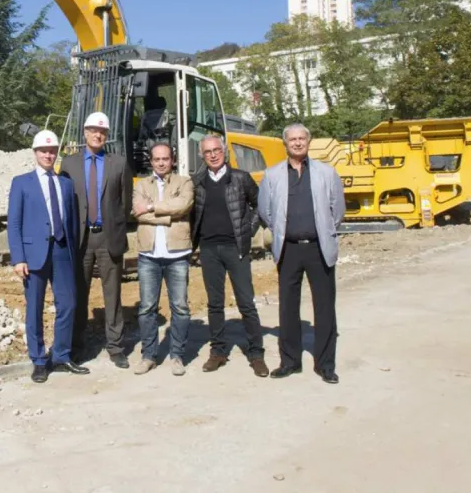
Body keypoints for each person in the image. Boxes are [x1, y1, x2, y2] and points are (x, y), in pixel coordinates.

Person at [257, 123, 345, 384]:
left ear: (309, 141)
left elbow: (337, 211)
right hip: (289, 250)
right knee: (288, 307)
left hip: (319, 248)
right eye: (292, 139)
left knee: (325, 307)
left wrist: (324, 230)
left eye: (301, 138)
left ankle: (325, 365)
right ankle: (290, 361)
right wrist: (285, 230)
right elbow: (266, 212)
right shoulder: (272, 175)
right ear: (285, 144)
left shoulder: (327, 173)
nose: (297, 143)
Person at [7, 129, 89, 383]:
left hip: (62, 250)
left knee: (68, 304)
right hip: (33, 254)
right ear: (35, 153)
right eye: (44, 150)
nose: (48, 155)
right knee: (35, 308)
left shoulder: (65, 184)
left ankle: (62, 355)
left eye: (52, 150)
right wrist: (18, 258)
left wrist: (73, 250)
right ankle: (39, 360)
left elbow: (72, 220)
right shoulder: (22, 183)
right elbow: (14, 223)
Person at [191, 134, 268, 378]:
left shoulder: (240, 178)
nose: (213, 155)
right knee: (215, 304)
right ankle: (218, 352)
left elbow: (261, 206)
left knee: (246, 303)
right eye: (208, 152)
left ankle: (256, 354)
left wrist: (249, 229)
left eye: (216, 150)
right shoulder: (198, 182)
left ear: (224, 151)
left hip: (236, 249)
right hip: (209, 249)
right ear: (202, 155)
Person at [60, 111, 132, 368]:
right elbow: (64, 202)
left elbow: (125, 204)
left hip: (108, 237)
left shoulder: (119, 164)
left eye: (102, 132)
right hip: (81, 239)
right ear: (85, 133)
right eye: (93, 130)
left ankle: (116, 347)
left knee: (113, 296)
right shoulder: (69, 164)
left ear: (107, 136)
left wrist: (115, 228)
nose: (97, 135)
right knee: (79, 294)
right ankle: (77, 346)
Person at [131, 142, 194, 375]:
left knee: (180, 307)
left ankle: (177, 356)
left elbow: (183, 205)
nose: (161, 163)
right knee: (147, 308)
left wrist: (150, 207)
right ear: (151, 160)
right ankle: (149, 355)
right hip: (148, 254)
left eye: (165, 159)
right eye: (157, 159)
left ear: (172, 160)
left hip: (177, 253)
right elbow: (135, 213)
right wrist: (168, 216)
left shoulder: (184, 182)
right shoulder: (141, 184)